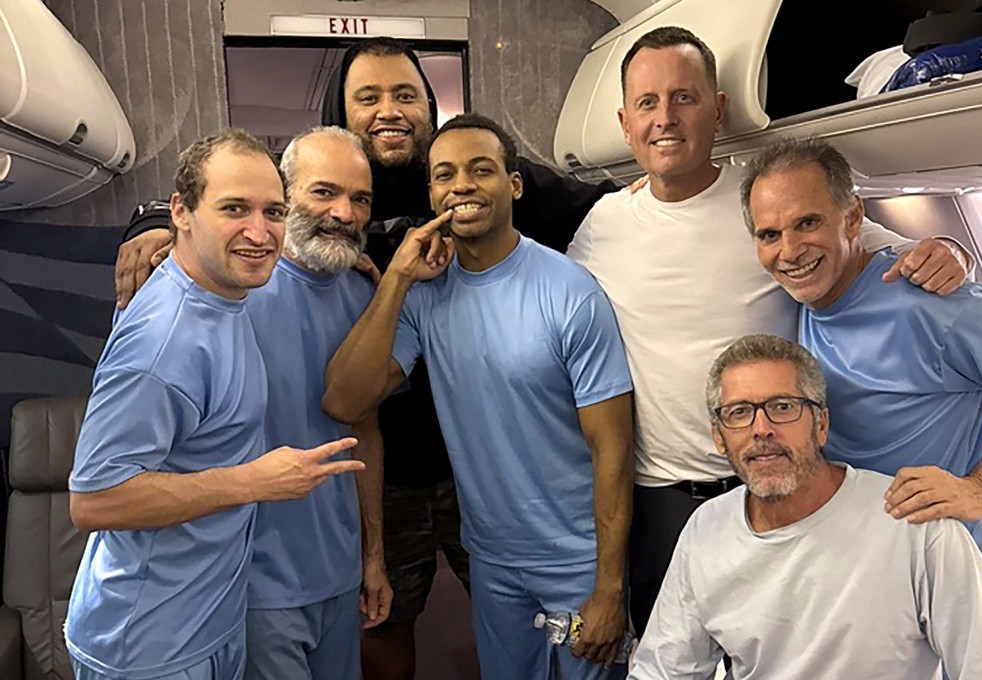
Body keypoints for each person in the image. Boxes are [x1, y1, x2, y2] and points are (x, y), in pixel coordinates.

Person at [111, 36, 618, 679]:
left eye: (407, 95)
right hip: (385, 468)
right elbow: (220, 190)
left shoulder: (470, 164)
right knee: (385, 627)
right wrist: (156, 219)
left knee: (516, 625)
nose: (390, 111)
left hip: (482, 479)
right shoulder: (305, 201)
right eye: (368, 97)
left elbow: (603, 201)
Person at [565, 25, 973, 637]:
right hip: (658, 501)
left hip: (778, 480)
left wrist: (953, 249)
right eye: (647, 103)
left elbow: (879, 255)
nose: (665, 118)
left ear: (719, 110)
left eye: (685, 97)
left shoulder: (766, 202)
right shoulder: (602, 226)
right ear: (626, 124)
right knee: (673, 655)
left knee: (786, 648)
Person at [323, 113, 634, 680]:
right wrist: (396, 279)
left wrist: (610, 586)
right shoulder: (425, 296)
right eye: (445, 174)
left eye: (480, 170)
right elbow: (346, 400)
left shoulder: (571, 293)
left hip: (576, 560)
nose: (461, 184)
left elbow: (611, 450)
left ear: (514, 186)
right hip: (491, 560)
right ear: (433, 194)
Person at [65, 129, 365, 680]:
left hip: (208, 624)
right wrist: (254, 483)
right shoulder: (163, 341)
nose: (259, 232)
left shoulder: (227, 298)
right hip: (148, 645)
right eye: (234, 209)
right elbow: (95, 500)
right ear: (180, 211)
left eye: (273, 211)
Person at [629, 334, 982, 679]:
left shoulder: (912, 524)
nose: (761, 429)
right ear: (719, 436)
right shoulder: (706, 531)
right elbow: (662, 669)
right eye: (740, 413)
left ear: (821, 424)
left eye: (783, 407)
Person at [740, 136, 982, 576]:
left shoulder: (929, 302)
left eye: (808, 223)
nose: (790, 251)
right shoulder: (798, 303)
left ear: (852, 218)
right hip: (853, 570)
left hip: (939, 578)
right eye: (770, 235)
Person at [242, 126, 390, 679]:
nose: (345, 214)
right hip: (257, 586)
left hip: (339, 575)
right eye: (323, 193)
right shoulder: (235, 287)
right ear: (283, 194)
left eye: (360, 199)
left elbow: (367, 432)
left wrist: (372, 556)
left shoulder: (363, 293)